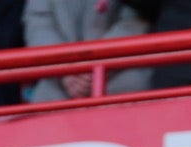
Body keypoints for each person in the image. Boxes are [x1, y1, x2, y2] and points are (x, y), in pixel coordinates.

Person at [23, 0, 152, 99]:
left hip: (122, 75)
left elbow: (137, 19)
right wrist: (66, 68)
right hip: (58, 80)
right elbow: (38, 23)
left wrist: (95, 63)